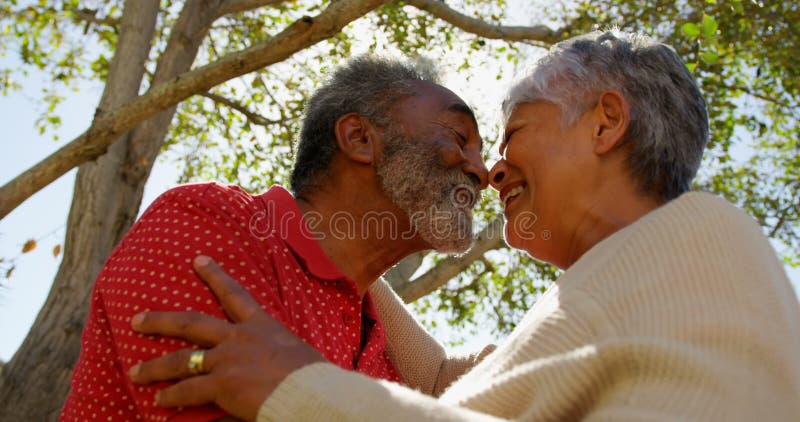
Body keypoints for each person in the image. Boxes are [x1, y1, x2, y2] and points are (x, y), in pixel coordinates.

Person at [128, 30, 800, 421]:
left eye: (511, 135)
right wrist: (342, 247)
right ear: (359, 139)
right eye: (471, 142)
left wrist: (301, 392)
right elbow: (448, 382)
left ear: (605, 122)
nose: (491, 170)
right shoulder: (626, 292)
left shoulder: (706, 243)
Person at [60, 55, 489, 421]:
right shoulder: (215, 225)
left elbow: (502, 386)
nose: (483, 173)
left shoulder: (385, 347)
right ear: (359, 138)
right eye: (459, 137)